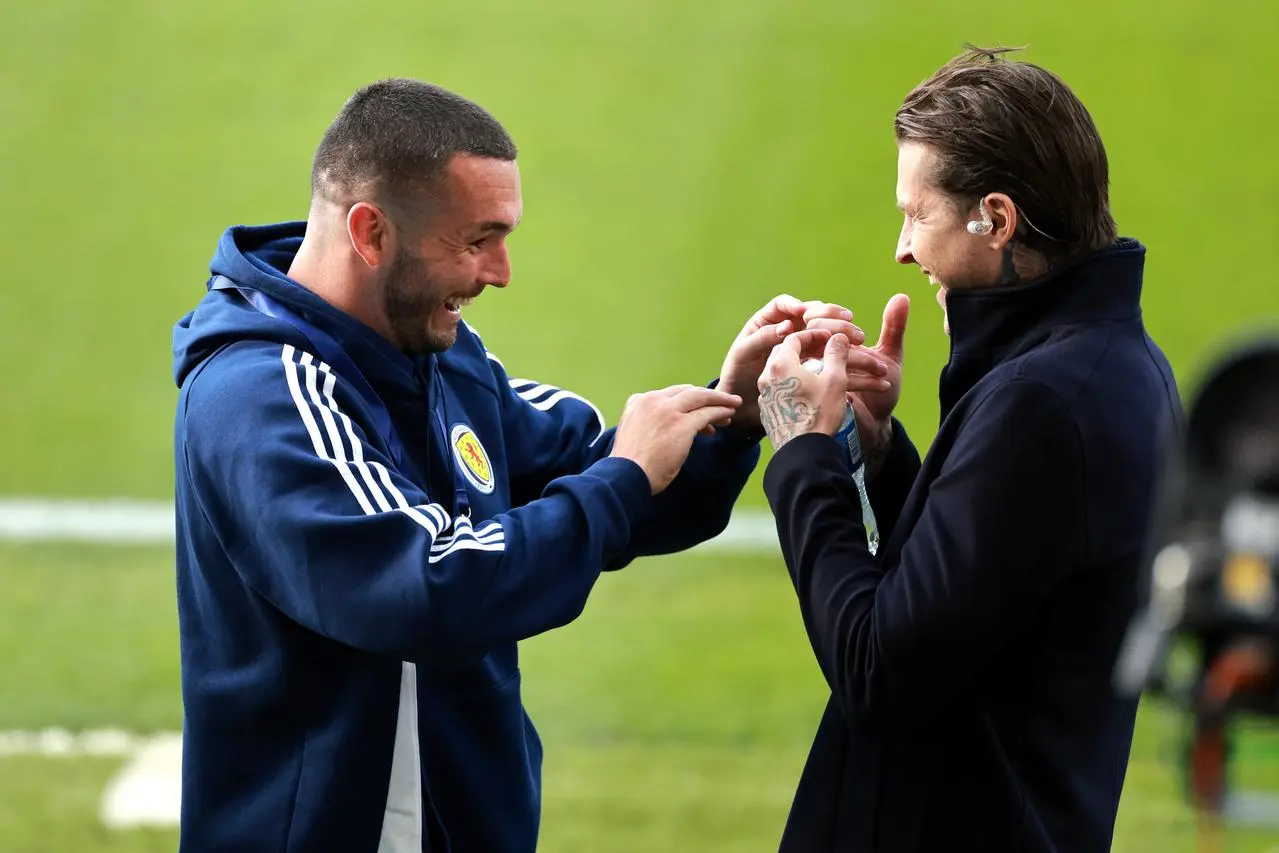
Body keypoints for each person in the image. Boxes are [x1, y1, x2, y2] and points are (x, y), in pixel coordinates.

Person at [169, 79, 881, 852]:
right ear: (371, 232)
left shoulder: (442, 358)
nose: (501, 271)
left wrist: (732, 413)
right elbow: (429, 592)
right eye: (475, 240)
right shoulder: (263, 398)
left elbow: (609, 476)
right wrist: (623, 476)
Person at [754, 46, 1184, 852]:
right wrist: (878, 453)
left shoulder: (1042, 401)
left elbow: (876, 667)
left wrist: (801, 451)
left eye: (916, 214)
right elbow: (983, 592)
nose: (901, 249)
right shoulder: (1108, 363)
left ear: (995, 217)